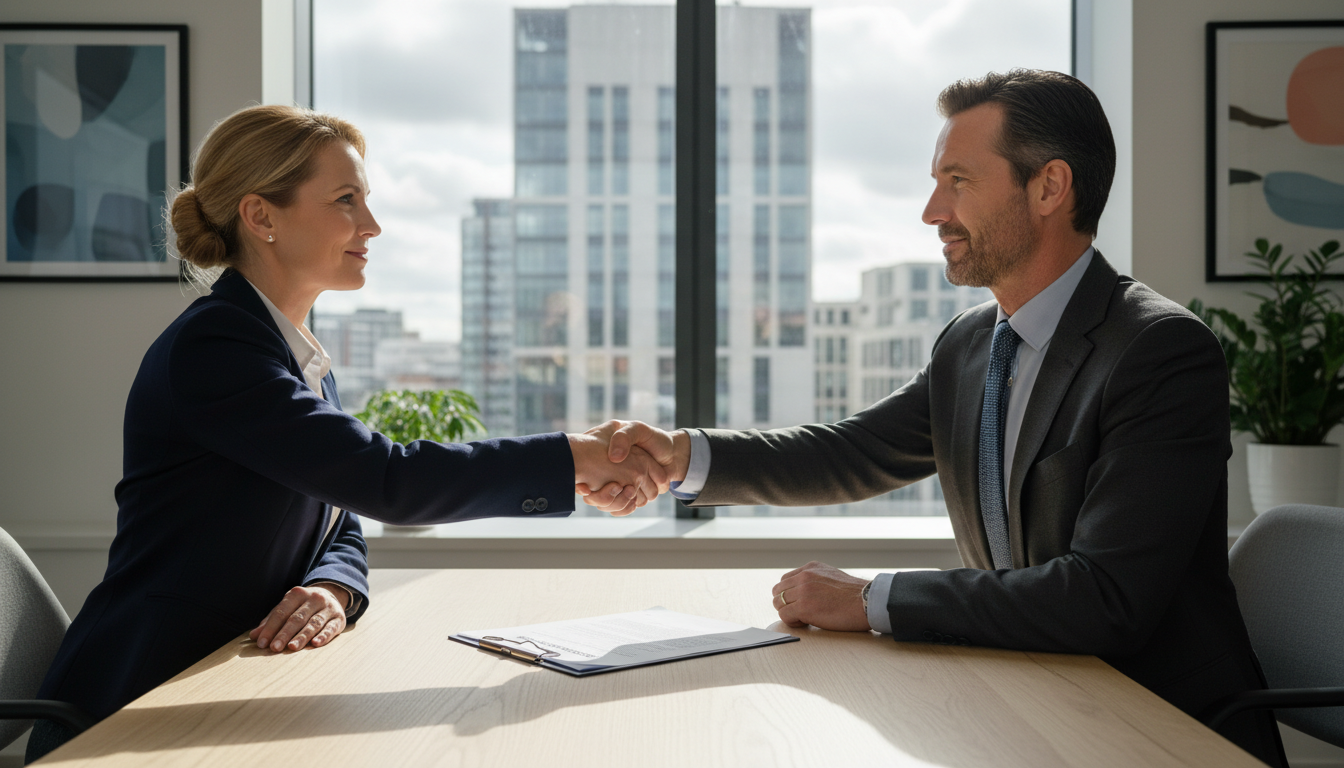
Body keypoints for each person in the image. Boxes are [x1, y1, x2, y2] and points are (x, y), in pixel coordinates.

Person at [580, 70, 1285, 765]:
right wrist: (679, 456)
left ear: (1049, 187)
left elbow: (1104, 599)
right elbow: (853, 452)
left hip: (1157, 729)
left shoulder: (1159, 352)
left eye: (959, 181)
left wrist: (870, 599)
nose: (931, 212)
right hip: (1030, 701)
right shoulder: (972, 343)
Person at [26, 105, 664, 764]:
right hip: (132, 707)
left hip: (229, 685)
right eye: (345, 200)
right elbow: (387, 481)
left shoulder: (293, 355)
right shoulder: (215, 348)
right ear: (262, 216)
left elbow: (341, 519)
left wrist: (333, 588)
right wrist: (574, 458)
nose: (372, 225)